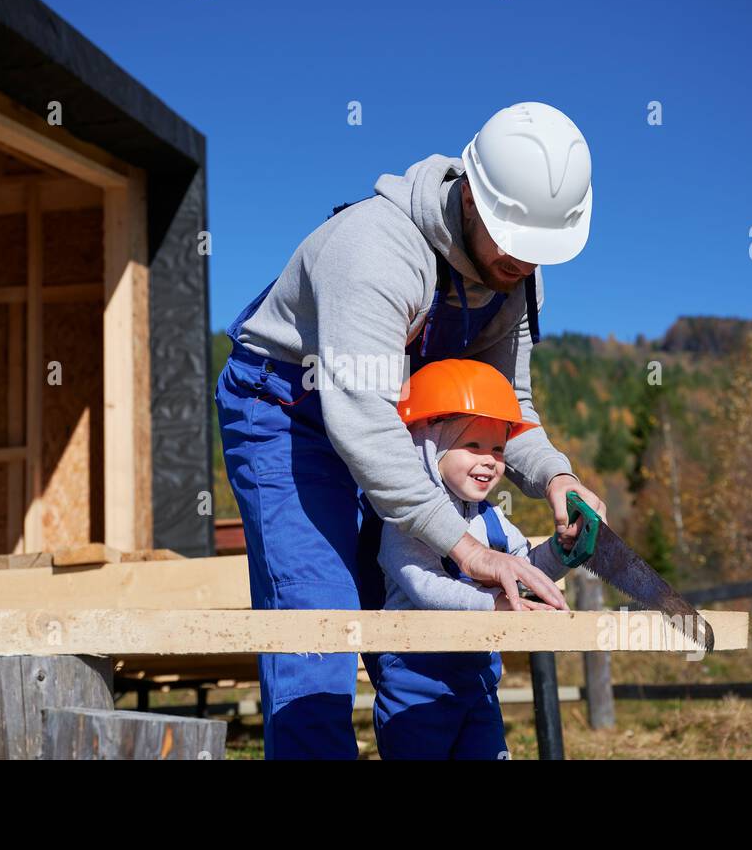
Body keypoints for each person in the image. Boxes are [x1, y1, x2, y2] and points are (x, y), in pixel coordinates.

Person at [215, 102, 606, 759]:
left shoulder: (513, 278)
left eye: (537, 249)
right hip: (289, 411)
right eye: (514, 240)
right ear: (475, 199)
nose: (522, 261)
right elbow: (363, 429)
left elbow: (506, 406)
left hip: (400, 422)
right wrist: (467, 547)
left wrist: (556, 476)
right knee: (319, 620)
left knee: (412, 616)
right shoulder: (375, 250)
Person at [368, 359, 578, 759]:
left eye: (498, 449)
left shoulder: (492, 518)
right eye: (473, 445)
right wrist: (492, 606)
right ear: (431, 447)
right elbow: (425, 586)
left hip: (478, 680)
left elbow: (523, 571)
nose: (490, 460)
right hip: (416, 682)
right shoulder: (404, 520)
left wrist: (563, 551)